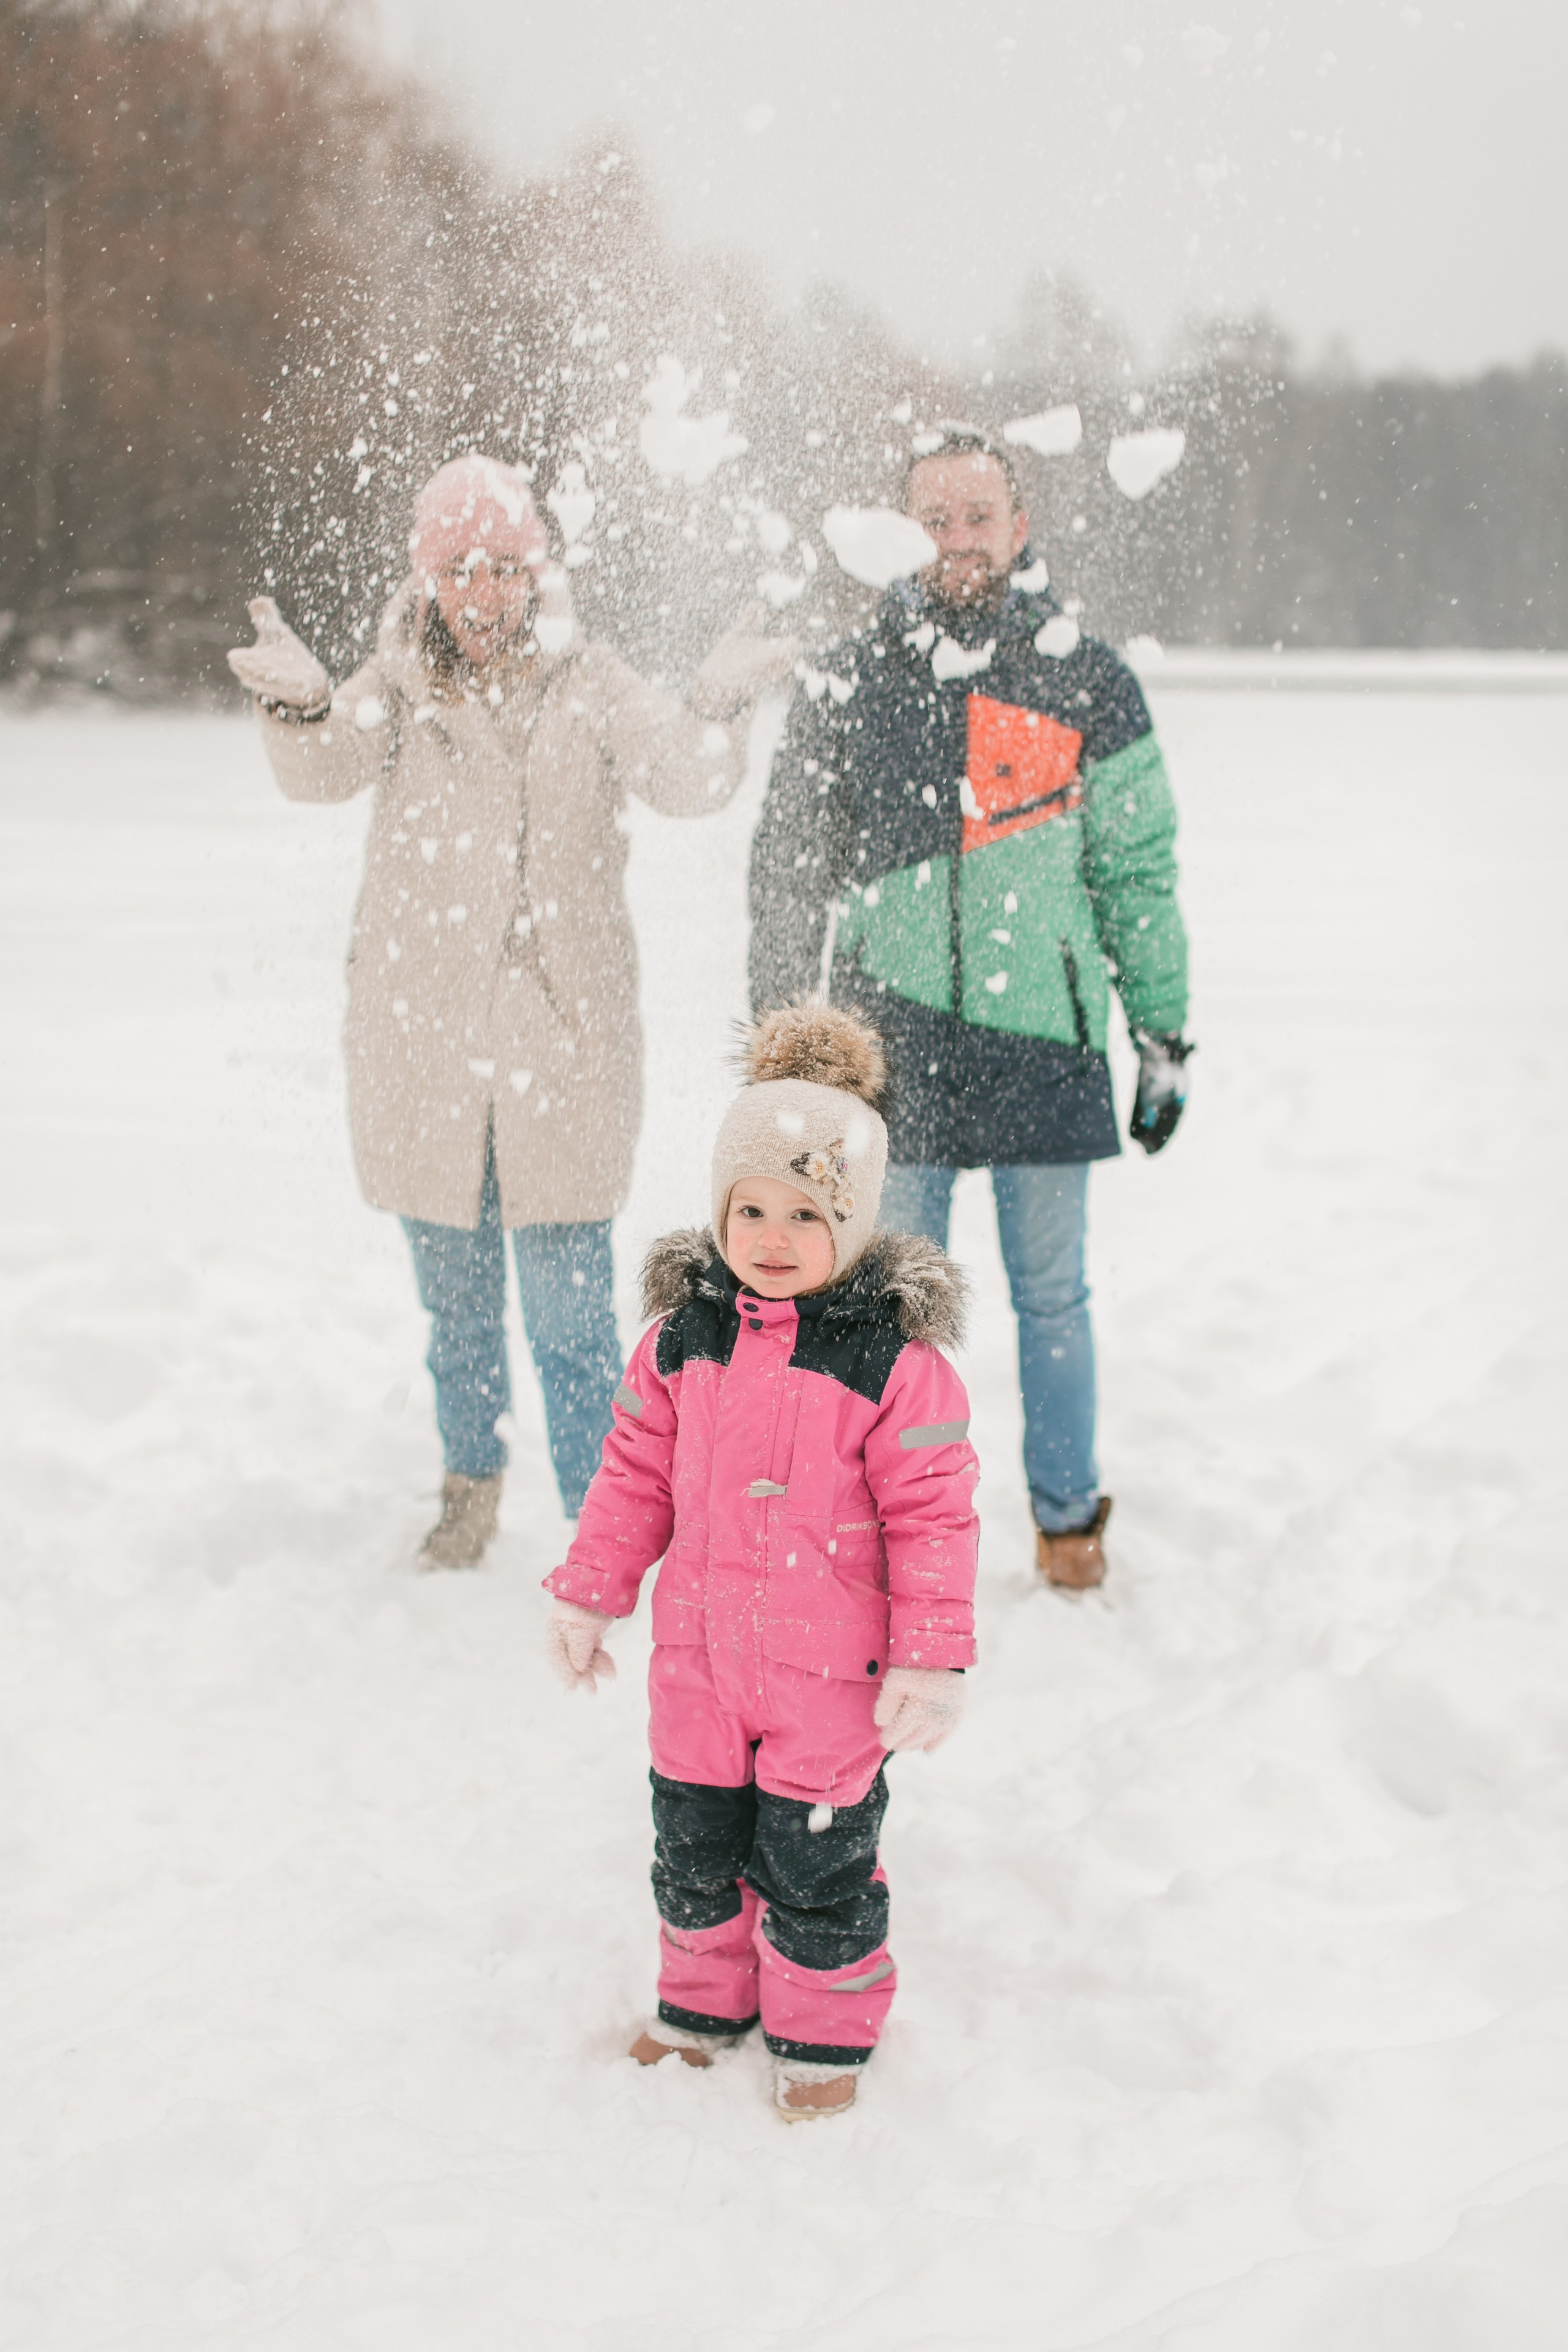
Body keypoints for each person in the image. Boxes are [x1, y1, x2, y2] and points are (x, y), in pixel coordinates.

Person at [228, 453, 796, 1565]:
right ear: (429, 582)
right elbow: (321, 768)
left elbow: (687, 778)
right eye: (459, 572)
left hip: (562, 1058)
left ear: (535, 574)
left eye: (501, 569)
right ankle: (470, 1486)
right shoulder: (394, 687)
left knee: (575, 1329)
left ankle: (607, 1526)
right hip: (423, 1053)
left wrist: (720, 700)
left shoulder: (591, 682)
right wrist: (300, 702)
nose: (481, 595)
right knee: (459, 1318)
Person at [747, 424, 1191, 1591]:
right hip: (890, 1048)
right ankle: (893, 1533)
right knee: (886, 1313)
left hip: (1042, 1037)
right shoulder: (848, 680)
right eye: (933, 520)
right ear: (900, 532)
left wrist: (1161, 1033)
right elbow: (789, 867)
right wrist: (782, 1045)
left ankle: (1066, 1525)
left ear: (1019, 527)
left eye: (977, 517)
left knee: (1053, 1297)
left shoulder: (1087, 678)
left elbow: (1135, 875)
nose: (957, 542)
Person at [541, 1004, 978, 2121]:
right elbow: (632, 1476)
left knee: (816, 1867)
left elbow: (935, 1517)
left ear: (856, 1220)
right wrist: (592, 1593)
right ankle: (701, 2008)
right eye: (751, 1210)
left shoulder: (894, 1365)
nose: (773, 1236)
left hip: (829, 1685)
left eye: (806, 1211)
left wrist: (929, 1660)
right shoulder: (684, 1343)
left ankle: (825, 2038)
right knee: (692, 1852)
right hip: (699, 1665)